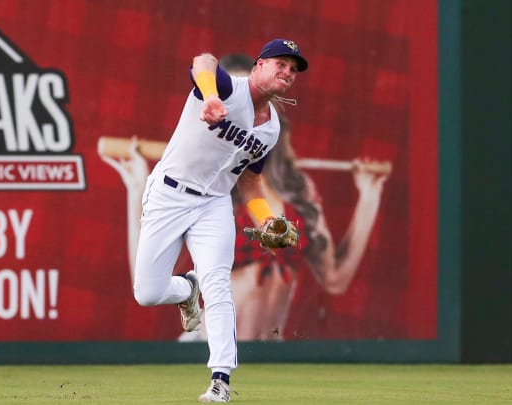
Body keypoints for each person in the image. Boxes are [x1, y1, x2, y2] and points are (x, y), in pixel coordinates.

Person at [102, 53, 389, 344]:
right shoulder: (209, 195)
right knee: (151, 291)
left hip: (271, 344)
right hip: (205, 338)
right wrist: (137, 187)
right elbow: (150, 280)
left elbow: (334, 277)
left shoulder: (292, 190)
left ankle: (222, 376)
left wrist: (369, 197)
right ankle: (196, 306)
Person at [128, 39, 308, 403]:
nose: (287, 72)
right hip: (169, 194)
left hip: (213, 204)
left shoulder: (271, 129)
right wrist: (210, 97)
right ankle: (186, 290)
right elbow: (203, 60)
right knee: (147, 293)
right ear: (259, 65)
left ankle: (220, 379)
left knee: (218, 286)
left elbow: (251, 182)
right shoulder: (228, 89)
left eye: (293, 69)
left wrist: (268, 220)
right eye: (280, 63)